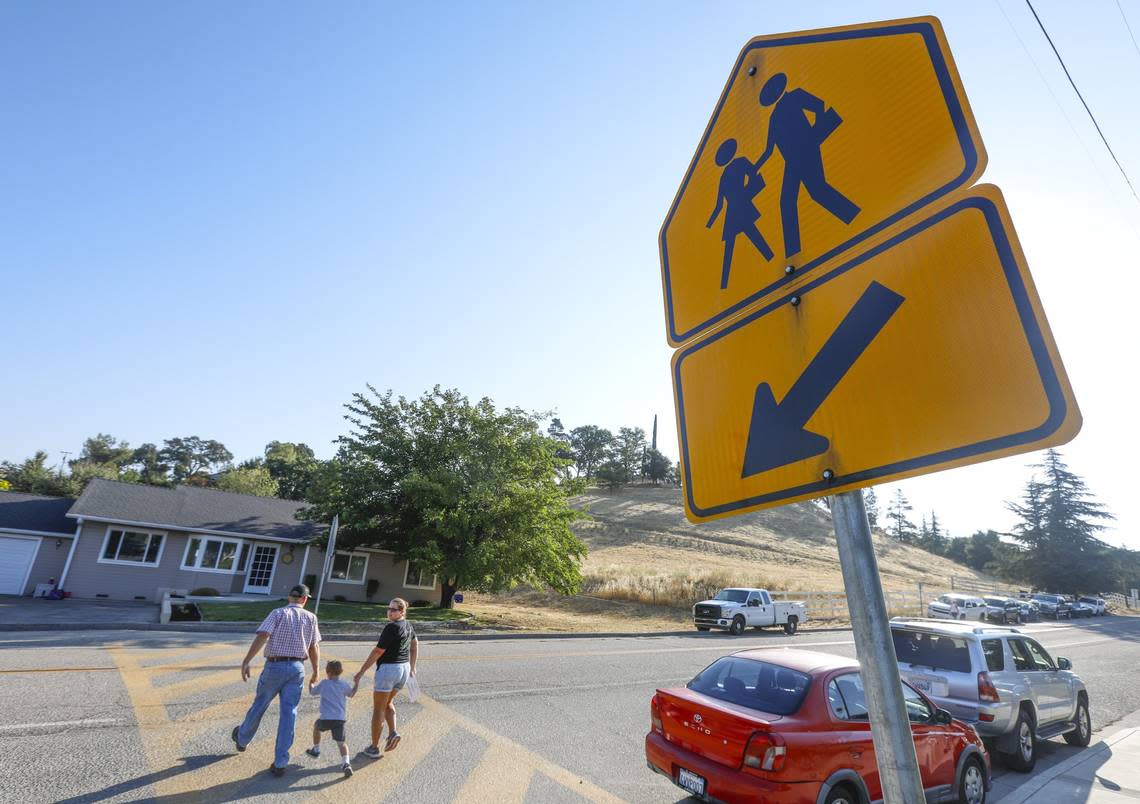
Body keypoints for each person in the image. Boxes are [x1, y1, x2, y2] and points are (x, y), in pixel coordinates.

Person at [754, 71, 861, 259]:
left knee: (818, 191)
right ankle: (793, 255)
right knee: (787, 201)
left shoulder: (795, 96)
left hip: (807, 150)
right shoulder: (773, 118)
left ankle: (854, 216)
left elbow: (819, 105)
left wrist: (814, 135)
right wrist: (755, 170)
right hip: (792, 161)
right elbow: (769, 150)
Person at [231, 583, 321, 777]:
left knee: (260, 705)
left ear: (290, 597)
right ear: (305, 600)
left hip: (274, 666)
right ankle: (280, 761)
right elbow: (314, 647)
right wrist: (316, 670)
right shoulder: (311, 618)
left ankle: (242, 739)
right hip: (297, 668)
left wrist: (247, 660)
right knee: (289, 713)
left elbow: (263, 635)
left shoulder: (278, 613)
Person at [706, 137, 774, 289]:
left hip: (734, 211)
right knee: (750, 236)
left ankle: (724, 284)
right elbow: (754, 174)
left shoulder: (725, 176)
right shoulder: (739, 164)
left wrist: (709, 225)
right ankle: (724, 284)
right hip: (739, 207)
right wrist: (708, 227)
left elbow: (719, 206)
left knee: (739, 241)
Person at [354, 597, 418, 757]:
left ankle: (374, 748)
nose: (389, 612)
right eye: (388, 608)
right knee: (388, 702)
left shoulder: (391, 628)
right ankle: (393, 732)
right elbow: (415, 644)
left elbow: (378, 651)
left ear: (402, 611)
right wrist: (413, 666)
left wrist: (361, 671)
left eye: (394, 609)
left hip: (389, 670)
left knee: (378, 709)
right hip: (404, 669)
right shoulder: (408, 625)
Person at [305, 659, 359, 777]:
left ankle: (316, 749)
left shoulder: (324, 683)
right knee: (342, 743)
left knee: (316, 728)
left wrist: (311, 682)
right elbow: (352, 694)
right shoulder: (344, 684)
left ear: (327, 671)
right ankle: (346, 763)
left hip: (325, 719)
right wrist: (356, 683)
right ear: (341, 672)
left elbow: (312, 692)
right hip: (340, 719)